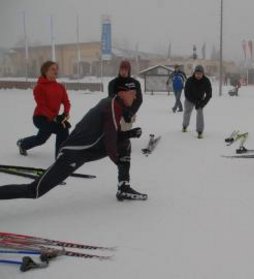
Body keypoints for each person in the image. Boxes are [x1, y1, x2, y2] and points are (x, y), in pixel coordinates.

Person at [0, 81, 147, 201]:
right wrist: (118, 160)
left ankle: (123, 187)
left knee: (124, 143)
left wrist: (129, 133)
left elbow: (111, 135)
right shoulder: (112, 106)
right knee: (35, 190)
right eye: (132, 94)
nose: (134, 98)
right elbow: (109, 141)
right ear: (122, 93)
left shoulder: (114, 103)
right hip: (73, 153)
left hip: (87, 150)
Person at [17, 61, 71, 158]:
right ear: (45, 71)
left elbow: (66, 102)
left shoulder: (60, 87)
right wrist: (55, 118)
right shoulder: (39, 87)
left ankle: (22, 144)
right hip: (40, 118)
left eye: (56, 69)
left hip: (53, 118)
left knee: (41, 139)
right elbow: (42, 106)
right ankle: (61, 158)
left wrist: (65, 114)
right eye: (52, 69)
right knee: (62, 129)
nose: (56, 71)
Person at [108, 60, 143, 192]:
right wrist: (123, 111)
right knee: (119, 133)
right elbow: (111, 99)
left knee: (124, 134)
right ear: (119, 69)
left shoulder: (135, 83)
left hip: (130, 114)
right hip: (116, 113)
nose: (123, 71)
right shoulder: (113, 83)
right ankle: (120, 149)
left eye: (126, 69)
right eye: (121, 69)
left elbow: (139, 99)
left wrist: (131, 112)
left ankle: (123, 149)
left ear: (129, 70)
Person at [182, 65, 212, 139]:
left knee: (200, 113)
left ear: (203, 74)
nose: (198, 75)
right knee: (187, 112)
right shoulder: (189, 80)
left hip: (200, 100)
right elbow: (186, 93)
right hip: (189, 99)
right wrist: (195, 101)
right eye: (197, 73)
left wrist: (203, 103)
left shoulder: (206, 81)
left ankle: (200, 131)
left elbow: (209, 94)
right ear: (194, 73)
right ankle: (185, 126)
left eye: (200, 73)